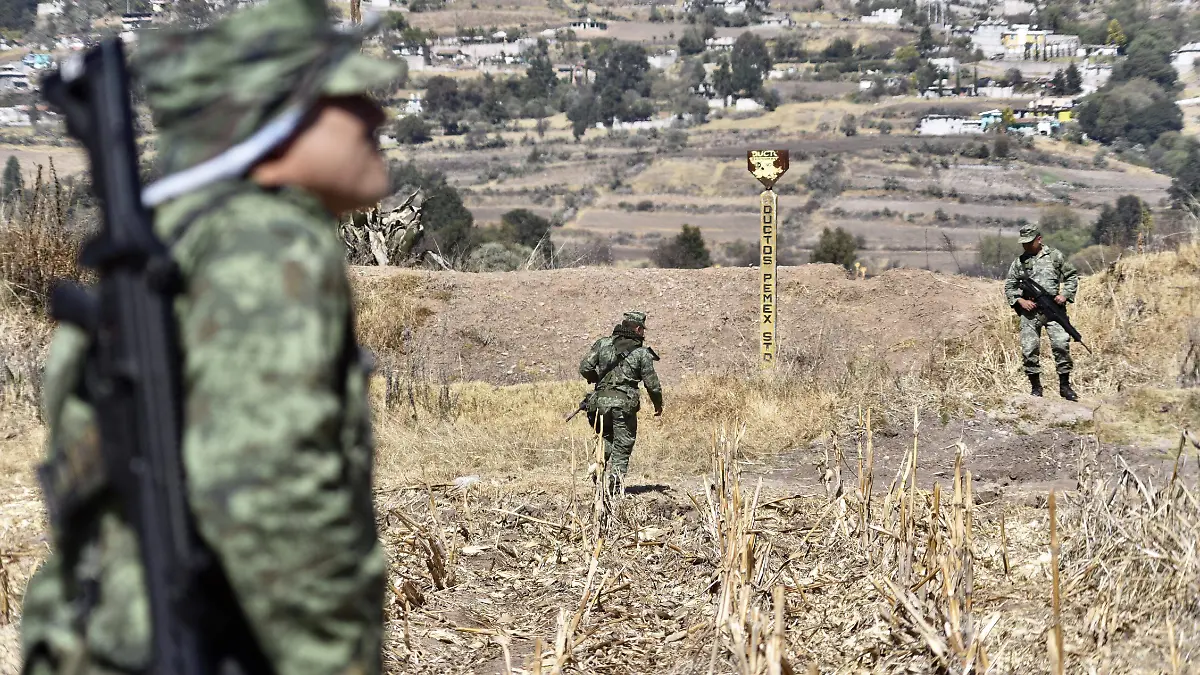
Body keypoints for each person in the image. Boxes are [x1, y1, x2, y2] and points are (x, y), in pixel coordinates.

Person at [20, 1, 402, 673]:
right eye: (352, 96)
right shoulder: (263, 243)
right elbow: (268, 491)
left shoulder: (178, 239)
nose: (378, 117)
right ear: (276, 119)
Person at [578, 311, 664, 496]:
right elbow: (652, 384)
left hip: (599, 404)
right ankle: (614, 490)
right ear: (639, 329)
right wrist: (658, 404)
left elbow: (585, 367)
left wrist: (597, 380)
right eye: (643, 331)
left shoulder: (603, 344)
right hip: (624, 405)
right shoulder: (641, 353)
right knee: (623, 445)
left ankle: (598, 471)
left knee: (606, 437)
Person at [1004, 224, 1080, 401]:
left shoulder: (1055, 256)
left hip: (1054, 309)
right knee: (1029, 349)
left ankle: (1065, 386)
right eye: (1023, 243)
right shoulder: (1020, 262)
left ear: (1039, 239)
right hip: (1030, 313)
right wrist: (1020, 301)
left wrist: (1065, 295)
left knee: (1061, 344)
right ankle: (1036, 388)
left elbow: (1071, 276)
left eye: (1029, 242)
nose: (1026, 246)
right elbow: (1010, 285)